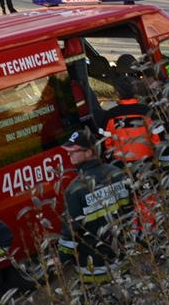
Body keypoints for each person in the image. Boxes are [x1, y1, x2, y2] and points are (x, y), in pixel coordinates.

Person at [58, 128, 134, 285]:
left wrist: (61, 259)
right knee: (128, 300)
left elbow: (70, 231)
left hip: (92, 265)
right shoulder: (117, 173)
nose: (69, 155)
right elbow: (129, 211)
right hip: (120, 253)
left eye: (74, 151)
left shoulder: (75, 189)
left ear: (89, 152)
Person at [102, 76, 161, 165]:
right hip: (147, 163)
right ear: (135, 91)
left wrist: (110, 158)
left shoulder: (110, 115)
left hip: (121, 163)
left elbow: (107, 141)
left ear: (118, 93)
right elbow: (157, 138)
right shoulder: (148, 111)